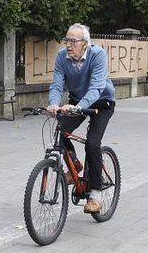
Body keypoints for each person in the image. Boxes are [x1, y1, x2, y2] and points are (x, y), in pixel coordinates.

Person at [46, 23, 115, 213]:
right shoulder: (62, 57)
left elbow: (96, 87)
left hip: (102, 103)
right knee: (61, 132)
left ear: (85, 43)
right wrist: (53, 103)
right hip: (77, 102)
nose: (68, 44)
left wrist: (78, 107)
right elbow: (57, 84)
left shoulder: (98, 54)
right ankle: (75, 164)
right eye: (66, 40)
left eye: (73, 41)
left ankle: (95, 194)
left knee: (92, 144)